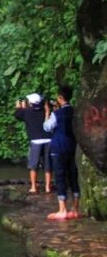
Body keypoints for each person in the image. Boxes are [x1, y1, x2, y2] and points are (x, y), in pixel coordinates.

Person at [43, 85, 80, 220]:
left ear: (60, 97)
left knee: (60, 177)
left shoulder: (56, 114)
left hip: (58, 148)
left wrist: (48, 113)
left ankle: (62, 210)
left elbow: (47, 127)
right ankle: (75, 210)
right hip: (72, 147)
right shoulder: (75, 112)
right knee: (73, 177)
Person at [14, 93, 52, 193]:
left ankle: (34, 187)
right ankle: (48, 187)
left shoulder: (27, 111)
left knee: (33, 165)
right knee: (48, 165)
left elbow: (18, 116)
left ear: (31, 103)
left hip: (35, 141)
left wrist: (19, 107)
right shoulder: (45, 110)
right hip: (48, 139)